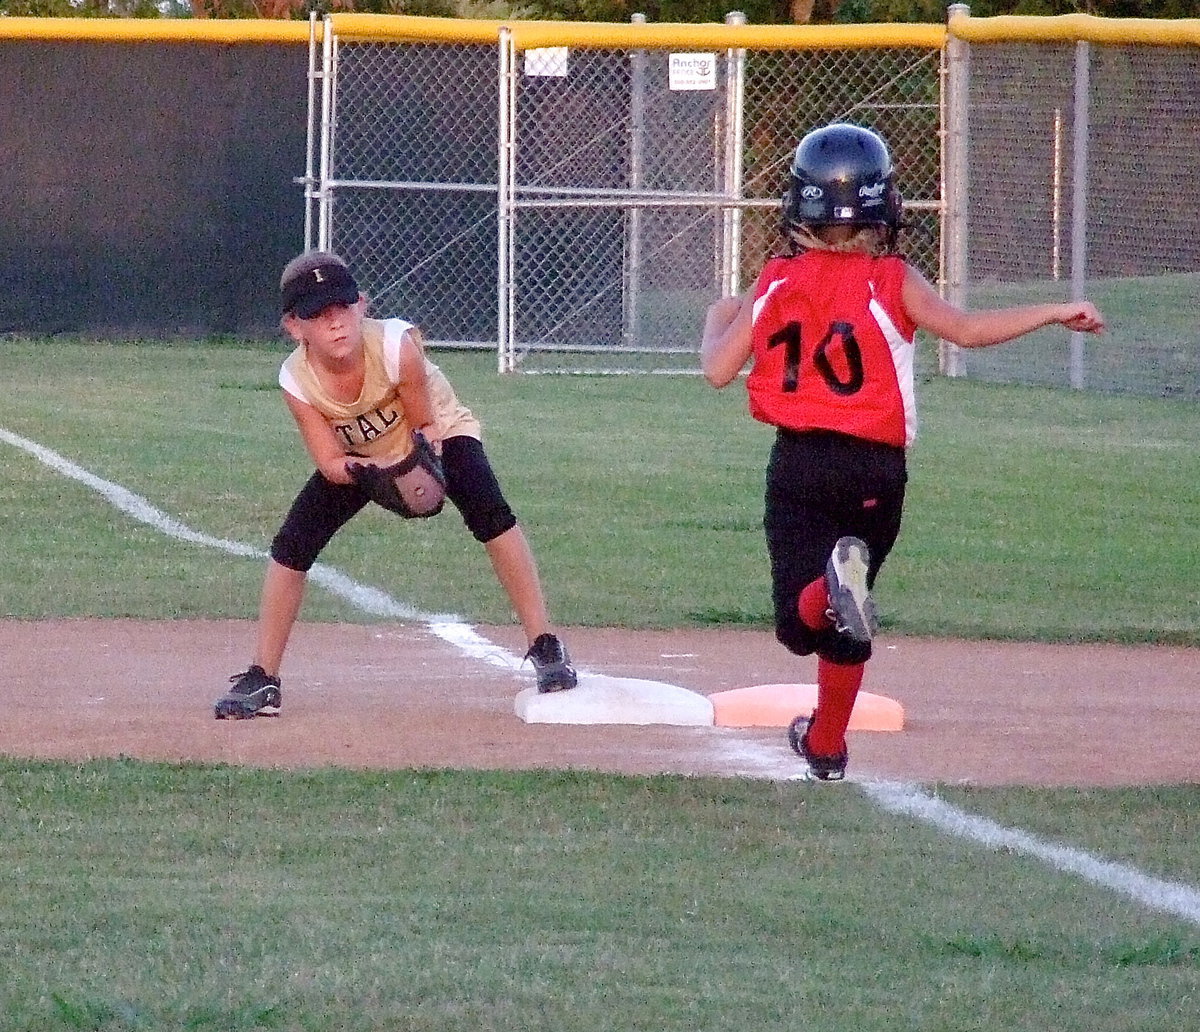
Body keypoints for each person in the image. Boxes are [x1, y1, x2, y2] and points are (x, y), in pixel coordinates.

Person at [700, 123, 1104, 780]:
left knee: (804, 627)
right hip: (877, 474)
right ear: (881, 205)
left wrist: (715, 318)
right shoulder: (893, 279)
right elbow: (968, 331)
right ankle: (826, 748)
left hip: (801, 466)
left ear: (799, 205)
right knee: (846, 616)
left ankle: (829, 595)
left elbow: (718, 369)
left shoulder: (778, 279)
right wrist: (1055, 311)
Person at [215, 250, 577, 718]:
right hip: (362, 460)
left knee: (491, 515)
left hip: (437, 435)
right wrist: (365, 476)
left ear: (362, 305)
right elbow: (328, 460)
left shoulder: (395, 345)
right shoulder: (296, 380)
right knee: (293, 543)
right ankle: (263, 676)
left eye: (342, 308)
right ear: (294, 327)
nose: (335, 324)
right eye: (317, 315)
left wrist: (414, 470)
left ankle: (545, 644)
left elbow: (424, 425)